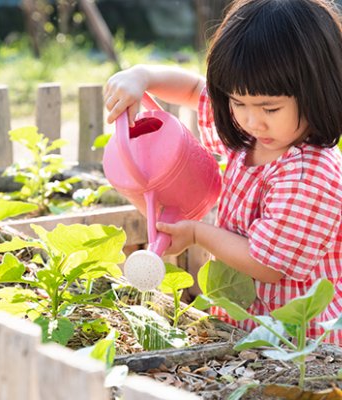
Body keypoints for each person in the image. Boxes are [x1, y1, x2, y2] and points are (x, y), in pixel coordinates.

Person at [104, 0, 342, 346]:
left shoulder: (311, 175)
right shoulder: (250, 138)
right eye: (237, 102)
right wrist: (142, 77)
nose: (250, 119)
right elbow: (194, 91)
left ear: (319, 92)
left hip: (299, 343)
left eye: (269, 107)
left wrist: (199, 234)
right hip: (248, 327)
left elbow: (268, 264)